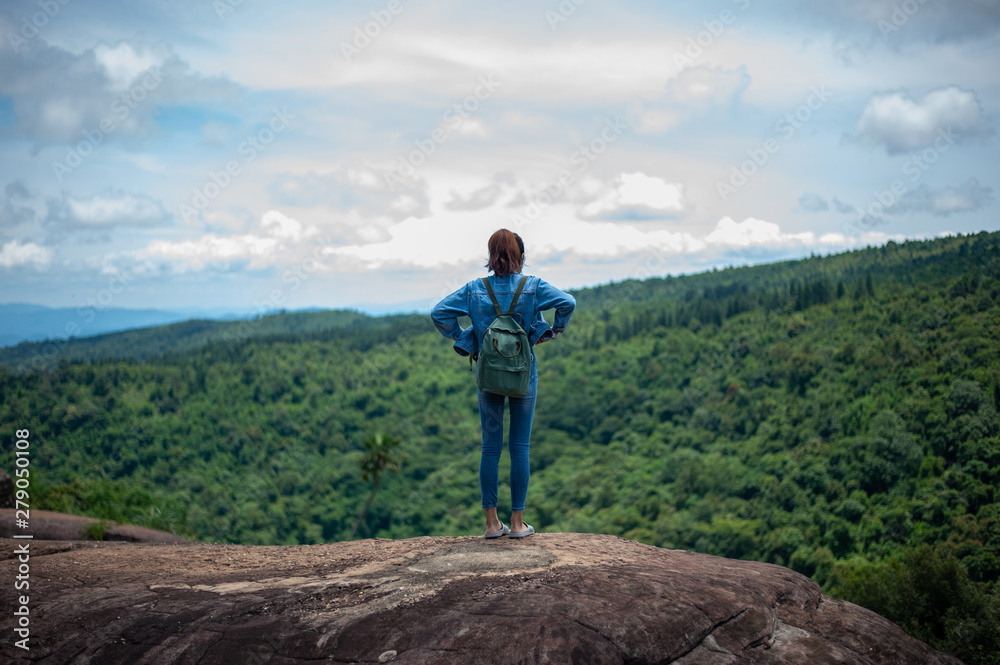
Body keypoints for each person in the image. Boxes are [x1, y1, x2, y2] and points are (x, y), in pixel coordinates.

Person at [431, 229, 576, 539]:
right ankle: (519, 523)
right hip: (524, 374)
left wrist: (467, 338)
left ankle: (492, 524)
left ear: (490, 256)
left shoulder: (474, 289)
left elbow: (438, 313)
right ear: (519, 257)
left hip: (489, 376)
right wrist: (554, 330)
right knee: (520, 447)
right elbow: (568, 302)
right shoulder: (533, 286)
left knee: (490, 449)